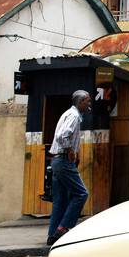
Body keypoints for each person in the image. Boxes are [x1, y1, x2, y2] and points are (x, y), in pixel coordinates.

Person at [47, 90, 92, 246]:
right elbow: (62, 136)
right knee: (81, 194)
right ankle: (63, 229)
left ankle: (52, 236)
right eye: (87, 101)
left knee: (60, 201)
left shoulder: (68, 114)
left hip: (57, 160)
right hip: (64, 160)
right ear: (80, 102)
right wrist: (70, 151)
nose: (89, 104)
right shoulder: (73, 116)